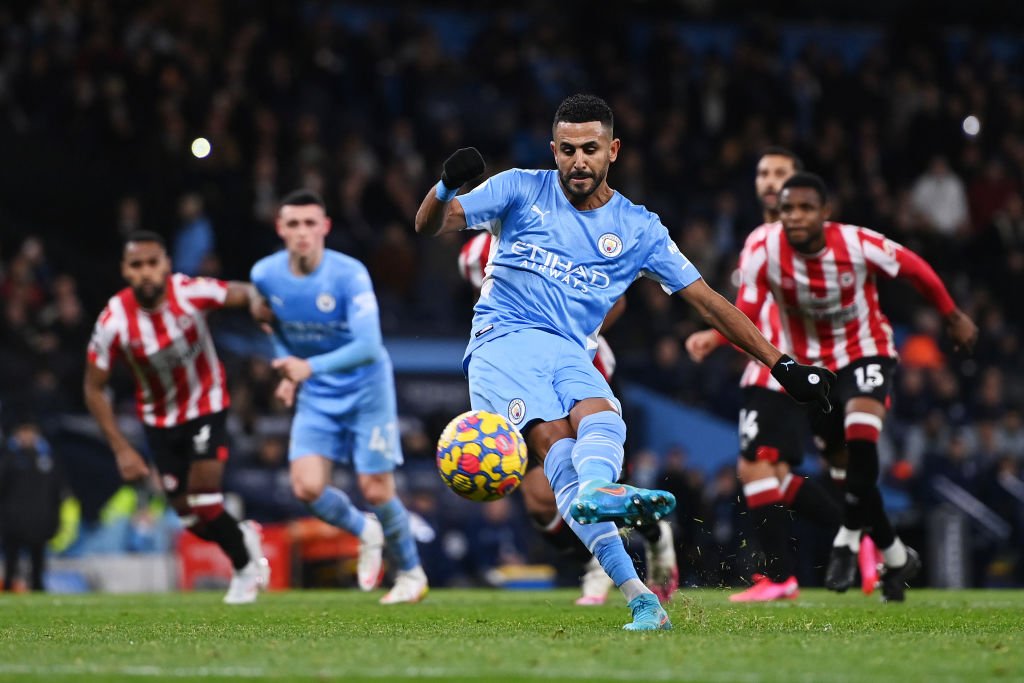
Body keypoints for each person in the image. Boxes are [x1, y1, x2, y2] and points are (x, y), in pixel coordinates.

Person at [415, 94, 834, 629]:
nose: (578, 161)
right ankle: (636, 588)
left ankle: (614, 536)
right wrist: (446, 184)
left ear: (612, 150)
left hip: (570, 345)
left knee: (605, 416)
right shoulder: (520, 187)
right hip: (503, 342)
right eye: (567, 150)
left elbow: (707, 300)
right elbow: (431, 223)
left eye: (590, 149)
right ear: (554, 149)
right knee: (555, 454)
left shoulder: (639, 229)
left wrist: (782, 364)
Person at [725, 172, 978, 602]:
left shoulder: (856, 243)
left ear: (826, 213)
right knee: (846, 475)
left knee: (862, 441)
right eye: (788, 209)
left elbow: (913, 268)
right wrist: (721, 336)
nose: (796, 217)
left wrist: (952, 314)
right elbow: (744, 310)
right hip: (815, 372)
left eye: (806, 208)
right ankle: (896, 557)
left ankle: (846, 541)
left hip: (866, 352)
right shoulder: (765, 249)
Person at [459, 233, 678, 605]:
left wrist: (568, 334)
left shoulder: (551, 240)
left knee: (589, 479)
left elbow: (617, 300)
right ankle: (597, 559)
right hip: (518, 377)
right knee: (541, 500)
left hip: (581, 368)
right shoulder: (472, 257)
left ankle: (654, 534)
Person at [251, 189, 428, 604]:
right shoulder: (265, 275)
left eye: (310, 223)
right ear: (280, 229)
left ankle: (411, 573)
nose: (302, 233)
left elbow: (369, 346)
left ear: (325, 227)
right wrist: (287, 371)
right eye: (293, 224)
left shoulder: (349, 275)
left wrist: (306, 369)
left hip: (366, 387)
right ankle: (366, 530)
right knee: (306, 487)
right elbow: (272, 329)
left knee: (377, 489)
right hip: (316, 391)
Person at [685, 149, 845, 602]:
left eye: (781, 174)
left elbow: (752, 308)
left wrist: (712, 338)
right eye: (764, 173)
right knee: (775, 476)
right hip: (802, 369)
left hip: (778, 371)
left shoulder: (768, 239)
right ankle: (860, 532)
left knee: (754, 466)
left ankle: (779, 578)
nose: (771, 181)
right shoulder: (810, 241)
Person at [84, 230, 270, 604]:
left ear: (166, 264)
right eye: (137, 265)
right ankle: (241, 533)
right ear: (125, 270)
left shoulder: (188, 292)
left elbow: (239, 291)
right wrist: (122, 449)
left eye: (153, 263)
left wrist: (257, 303)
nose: (147, 272)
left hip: (206, 404)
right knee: (188, 517)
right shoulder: (113, 321)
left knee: (205, 499)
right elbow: (92, 387)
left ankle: (245, 569)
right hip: (158, 420)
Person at [0, 419, 65, 591]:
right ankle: (8, 586)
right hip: (13, 519)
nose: (27, 436)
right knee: (11, 557)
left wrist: (55, 518)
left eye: (31, 432)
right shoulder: (8, 457)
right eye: (23, 432)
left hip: (39, 518)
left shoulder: (48, 458)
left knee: (38, 558)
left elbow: (56, 491)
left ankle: (38, 586)